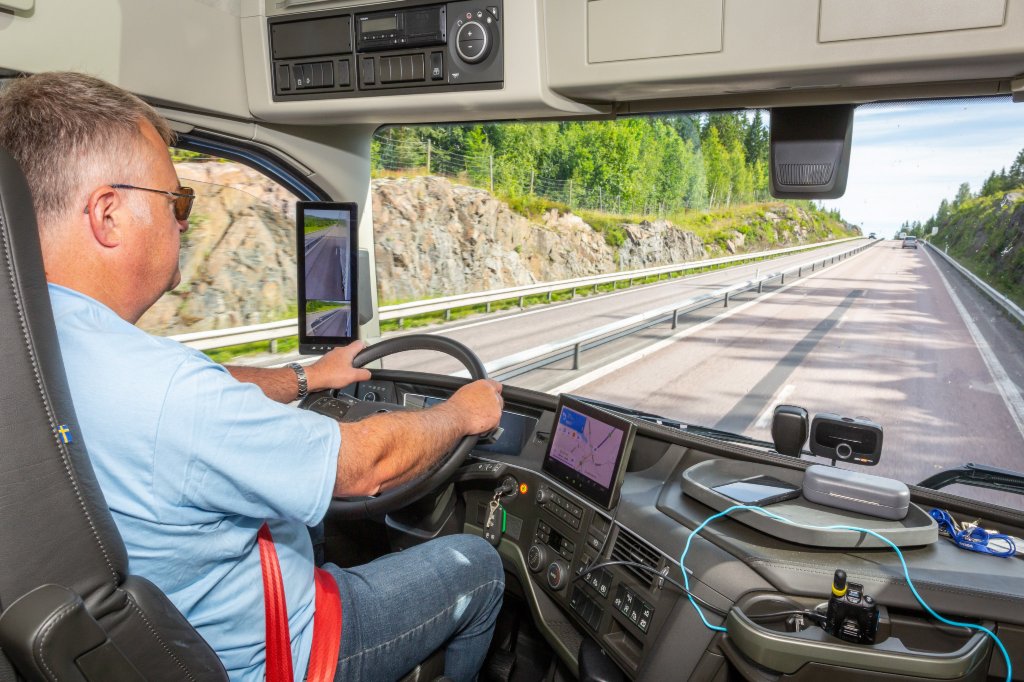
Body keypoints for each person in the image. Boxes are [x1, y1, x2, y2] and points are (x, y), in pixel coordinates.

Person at [0, 72, 505, 682]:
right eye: (176, 202)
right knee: (479, 564)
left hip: (176, 631)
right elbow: (365, 468)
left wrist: (308, 377)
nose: (184, 222)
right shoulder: (168, 394)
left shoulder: (31, 343)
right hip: (281, 653)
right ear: (108, 214)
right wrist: (463, 412)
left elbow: (206, 385)